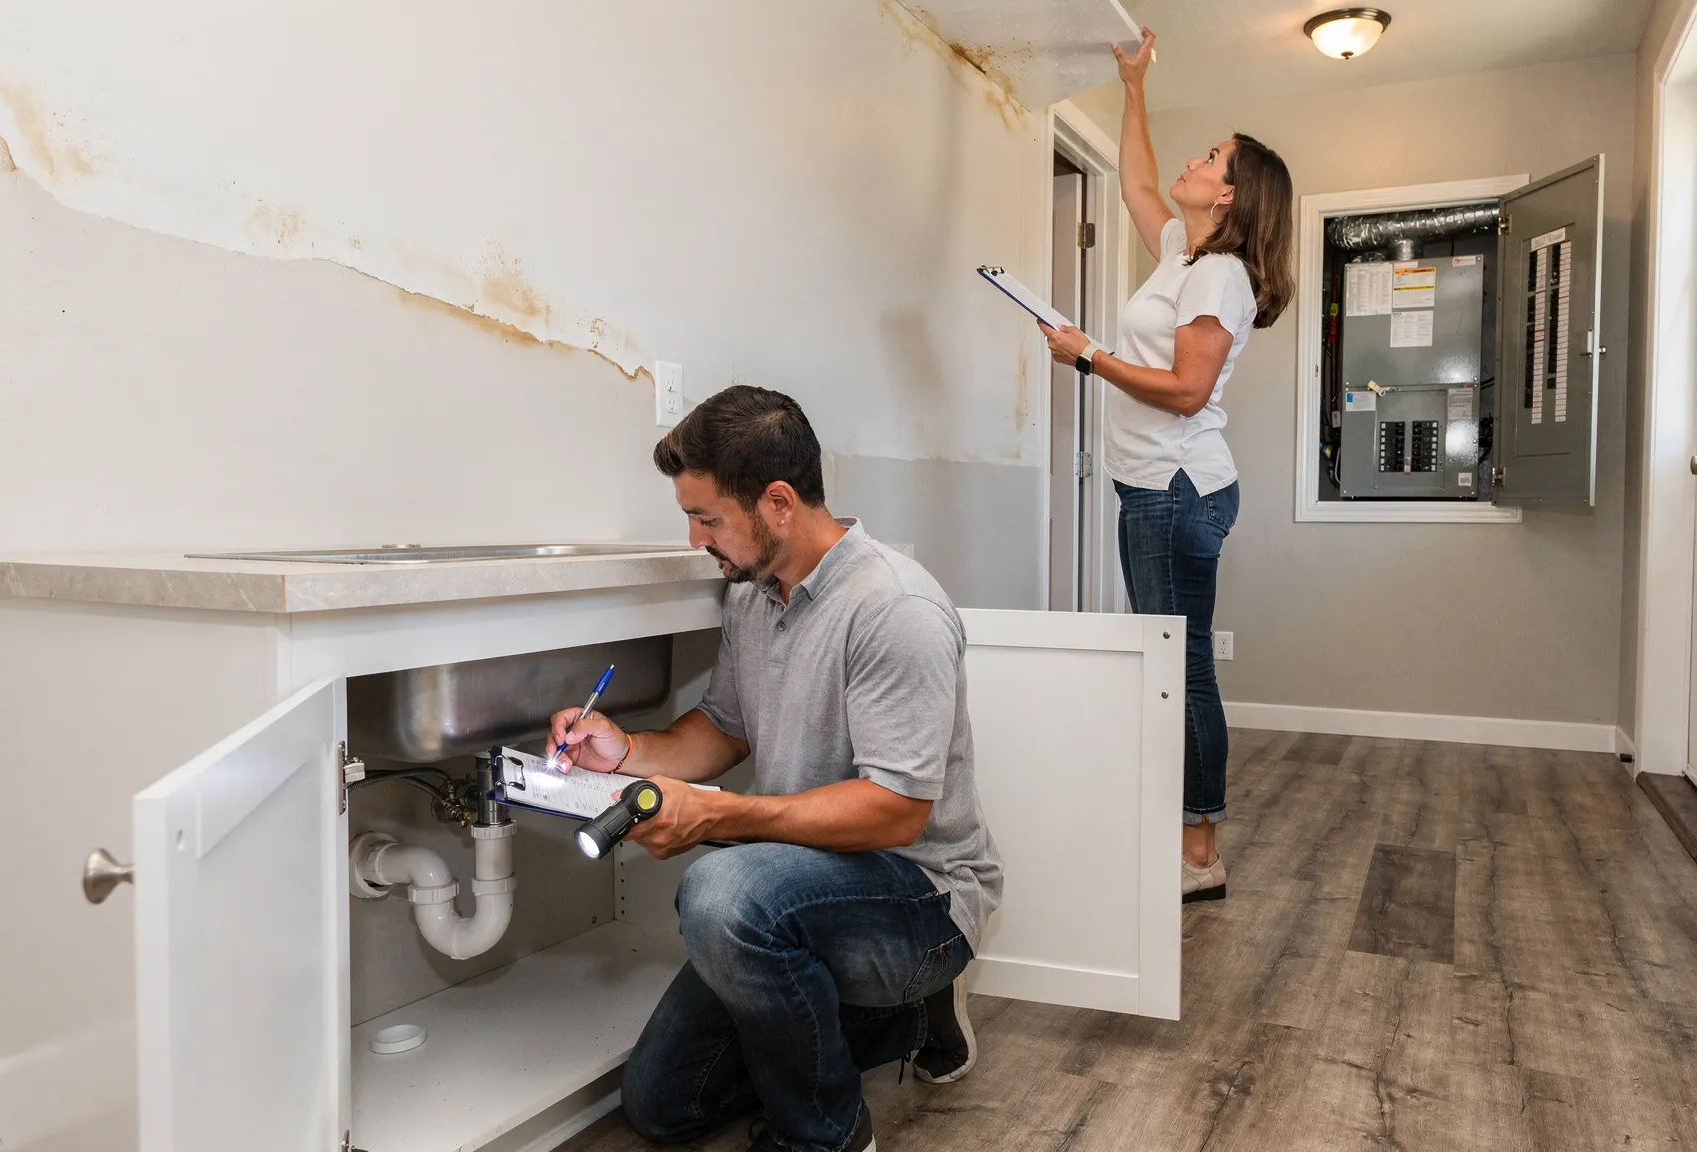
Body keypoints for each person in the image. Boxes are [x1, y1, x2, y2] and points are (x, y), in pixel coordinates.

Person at [547, 386, 1001, 1152]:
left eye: (708, 517)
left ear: (780, 502)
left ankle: (823, 1134)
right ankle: (907, 1019)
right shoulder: (757, 596)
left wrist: (721, 816)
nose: (695, 539)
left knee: (724, 892)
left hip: (917, 896)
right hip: (801, 887)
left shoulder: (895, 610)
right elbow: (724, 727)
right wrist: (622, 751)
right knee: (662, 1102)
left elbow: (896, 812)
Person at [1039, 27, 1295, 904]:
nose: (1195, 158)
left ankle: (1198, 849)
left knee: (1177, 666)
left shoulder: (1221, 277)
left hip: (1176, 492)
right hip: (1150, 487)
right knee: (1168, 660)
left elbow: (1187, 390)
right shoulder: (1185, 255)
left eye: (1213, 156)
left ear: (1230, 194)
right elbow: (1138, 183)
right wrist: (1134, 86)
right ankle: (1183, 828)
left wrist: (1085, 356)